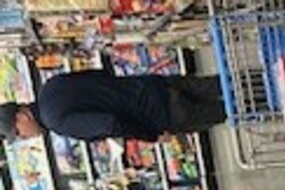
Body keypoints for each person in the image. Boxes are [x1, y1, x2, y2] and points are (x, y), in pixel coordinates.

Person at [0, 69, 228, 145]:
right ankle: (264, 73)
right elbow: (100, 74)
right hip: (154, 84)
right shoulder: (50, 85)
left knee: (235, 108)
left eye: (18, 133)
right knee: (227, 82)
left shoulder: (56, 121)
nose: (24, 137)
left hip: (164, 114)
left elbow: (110, 123)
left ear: (21, 116)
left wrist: (153, 136)